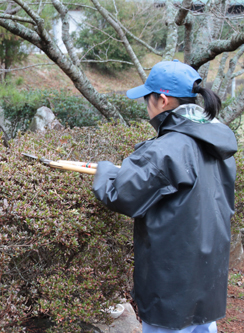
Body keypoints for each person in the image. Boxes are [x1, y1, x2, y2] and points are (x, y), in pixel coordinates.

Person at [92, 60, 237, 333]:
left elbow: (121, 194)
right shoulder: (218, 144)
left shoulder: (167, 148)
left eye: (147, 99)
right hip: (207, 278)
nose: (146, 107)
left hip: (171, 288)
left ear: (162, 100)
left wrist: (105, 170)